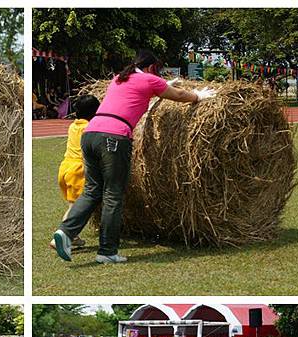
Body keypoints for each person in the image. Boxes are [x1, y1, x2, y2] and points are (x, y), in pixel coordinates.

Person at [51, 50, 216, 264]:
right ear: (150, 68)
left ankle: (65, 232)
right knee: (113, 194)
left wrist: (162, 84)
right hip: (114, 137)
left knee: (92, 190)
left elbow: (143, 92)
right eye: (156, 70)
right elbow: (179, 96)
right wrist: (199, 96)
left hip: (90, 135)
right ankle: (107, 251)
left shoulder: (119, 78)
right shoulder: (148, 79)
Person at [54, 95, 100, 250]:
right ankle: (63, 235)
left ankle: (73, 238)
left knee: (72, 204)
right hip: (78, 170)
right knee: (75, 208)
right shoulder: (90, 128)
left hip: (65, 167)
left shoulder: (73, 126)